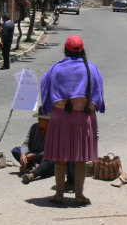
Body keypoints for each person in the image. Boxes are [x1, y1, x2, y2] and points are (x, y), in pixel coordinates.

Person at [41, 36, 105, 206]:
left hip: (60, 117)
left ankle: (59, 194)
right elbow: (98, 97)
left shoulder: (56, 68)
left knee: (60, 156)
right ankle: (79, 195)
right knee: (81, 157)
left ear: (65, 50)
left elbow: (45, 89)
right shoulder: (91, 69)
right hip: (84, 118)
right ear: (82, 50)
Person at [11, 107, 54, 184]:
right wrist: (23, 154)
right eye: (38, 118)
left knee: (49, 161)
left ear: (48, 120)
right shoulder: (34, 127)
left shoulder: (54, 131)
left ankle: (32, 175)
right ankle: (34, 167)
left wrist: (34, 155)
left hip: (44, 157)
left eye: (41, 118)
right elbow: (26, 143)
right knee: (16, 150)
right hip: (33, 157)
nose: (38, 120)